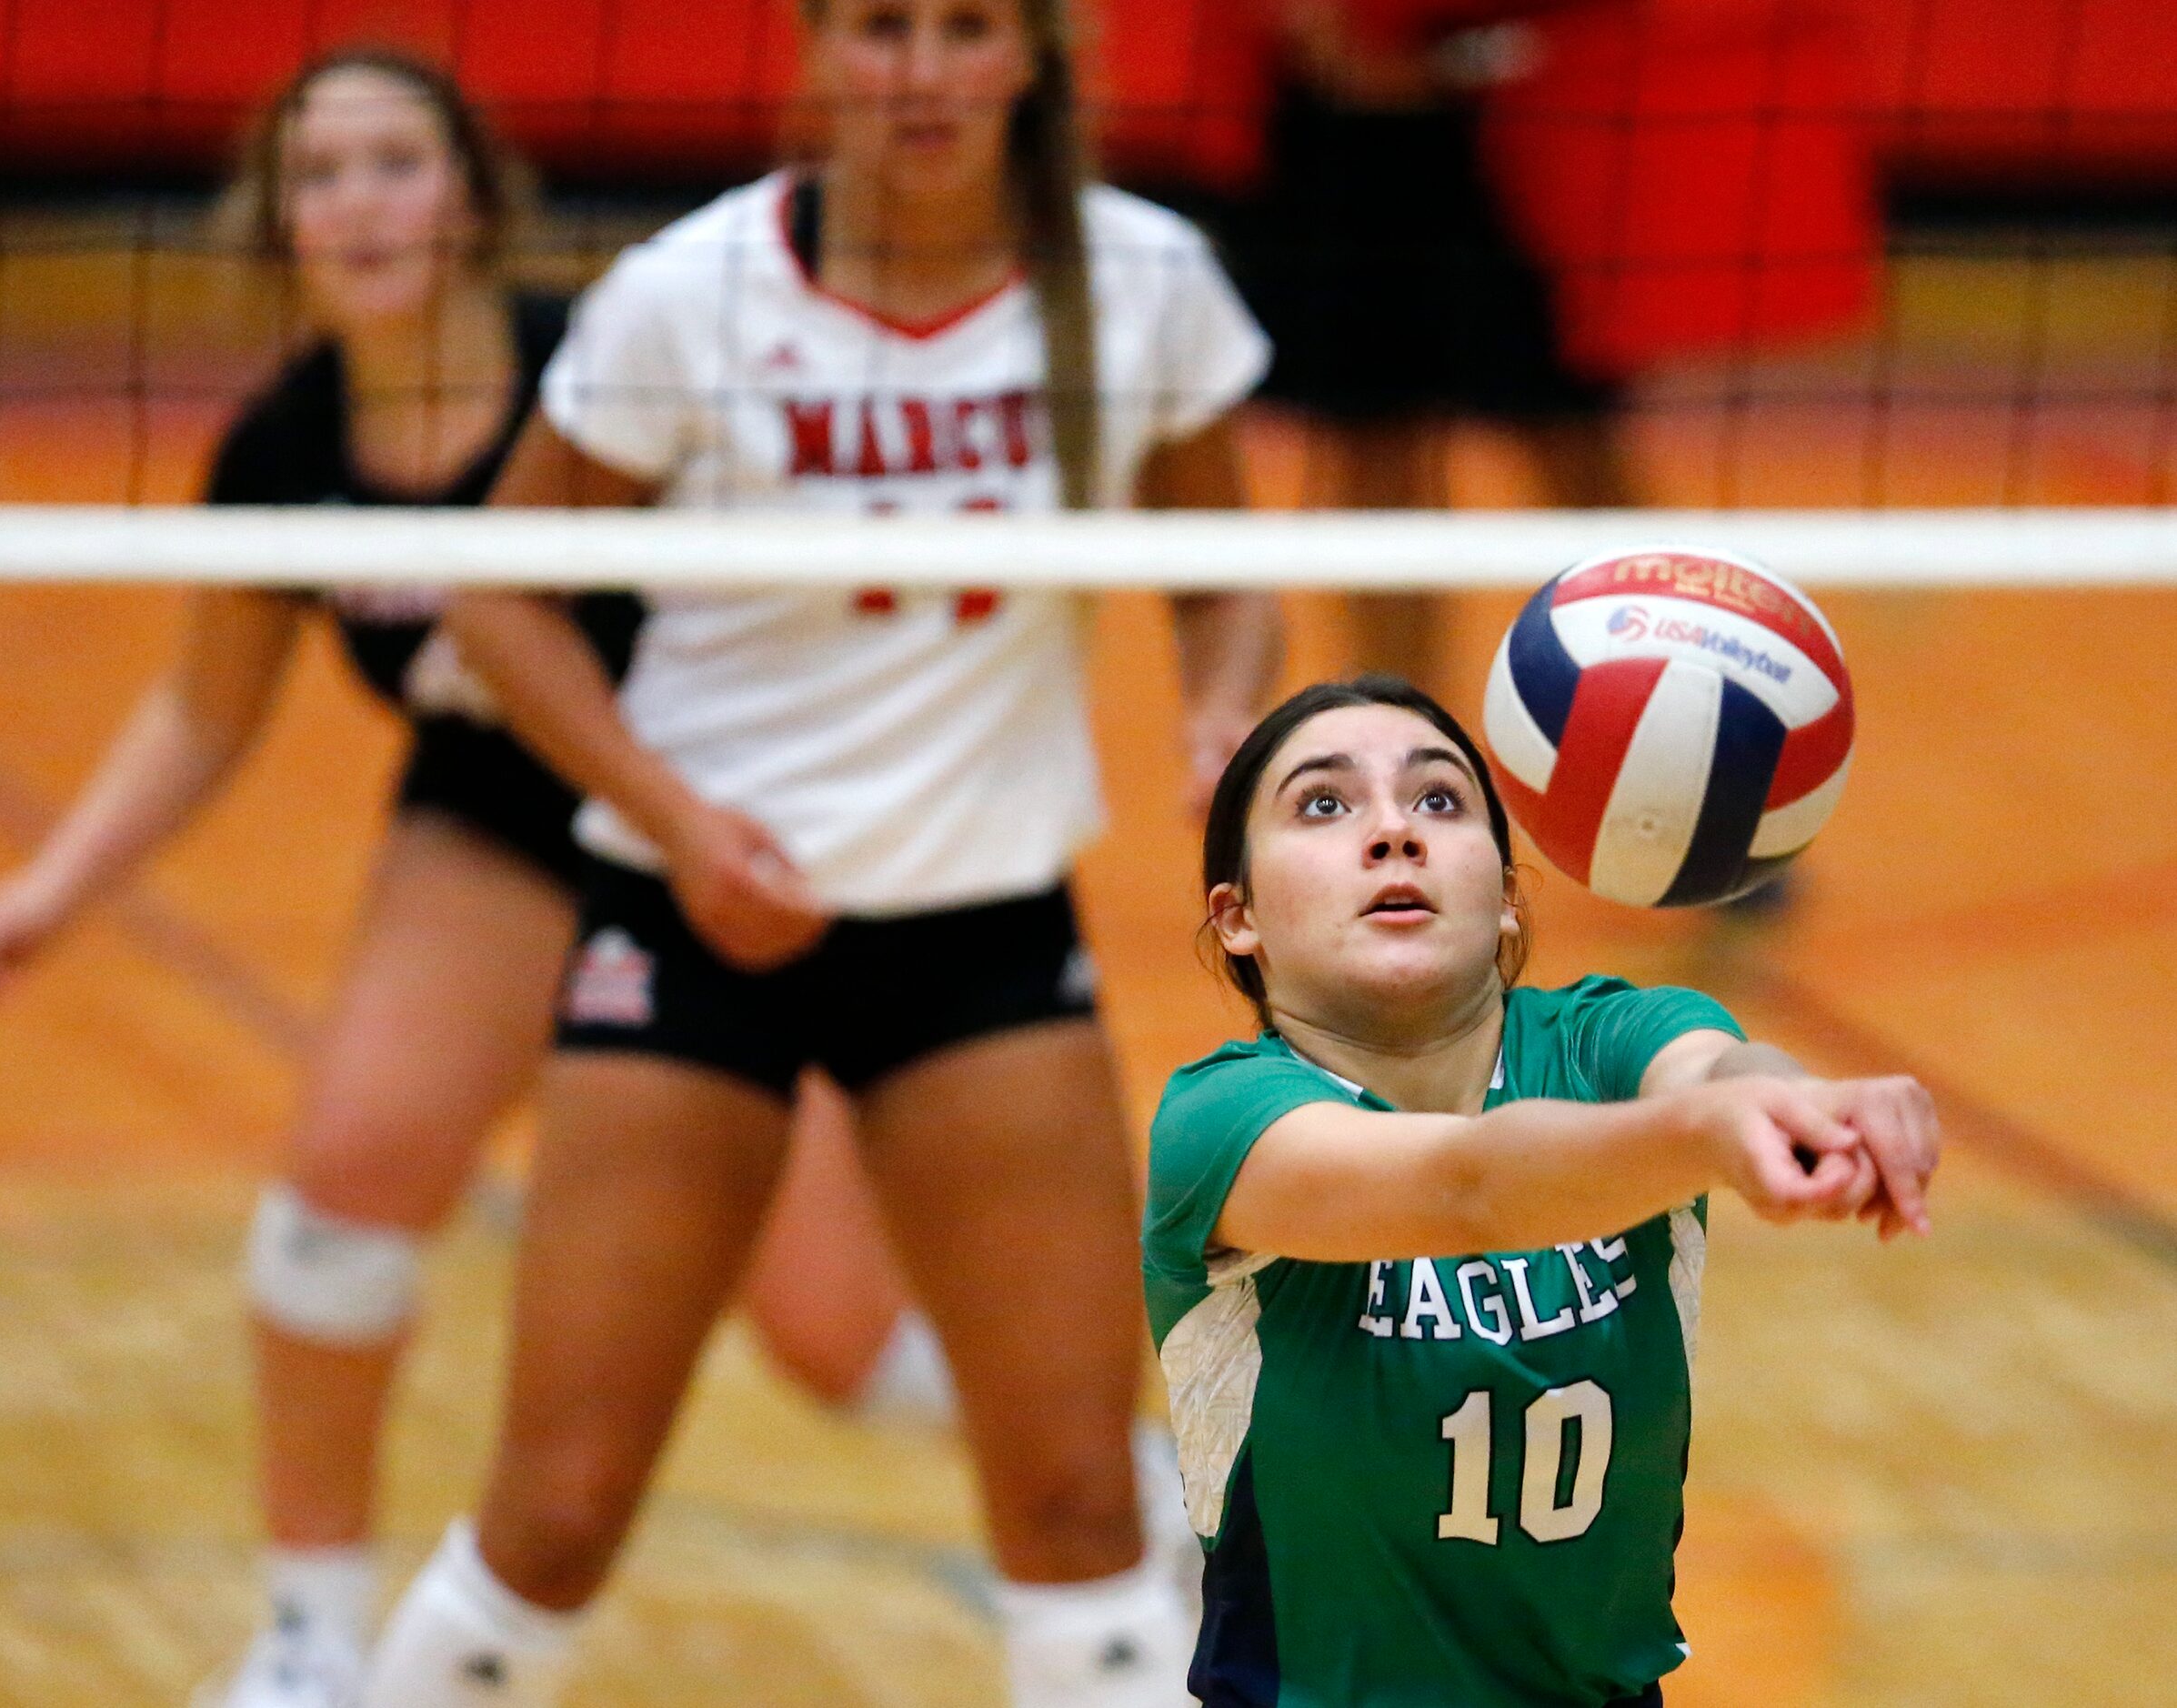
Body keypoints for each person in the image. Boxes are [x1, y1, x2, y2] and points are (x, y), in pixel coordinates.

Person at [0, 48, 918, 1708]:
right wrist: (50, 892)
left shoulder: (595, 369)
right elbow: (200, 706)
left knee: (832, 1337)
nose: (361, 204)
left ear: (467, 193)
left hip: (704, 824)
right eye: (321, 176)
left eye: (396, 162)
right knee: (338, 1191)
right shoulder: (284, 446)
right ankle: (312, 1640)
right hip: (486, 822)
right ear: (280, 223)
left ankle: (1161, 1497)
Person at [353, 1, 1283, 1703]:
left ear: (1026, 58)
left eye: (962, 29)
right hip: (691, 922)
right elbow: (497, 593)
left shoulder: (1135, 280)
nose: (920, 71)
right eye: (879, 27)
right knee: (555, 1513)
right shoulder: (687, 294)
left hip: (982, 933)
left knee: (1085, 1499)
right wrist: (683, 820)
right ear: (815, 51)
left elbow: (1223, 566)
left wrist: (1221, 712)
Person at [1143, 673, 1936, 1705]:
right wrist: (1701, 1134)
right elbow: (1465, 1189)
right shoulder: (1223, 1122)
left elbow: (1719, 1070)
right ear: (1236, 916)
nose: (1393, 832)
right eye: (1324, 805)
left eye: (1437, 800)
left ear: (1509, 899)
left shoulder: (1609, 1039)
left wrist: (1802, 1106)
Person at [1229, 0, 1636, 692]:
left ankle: (1663, 668)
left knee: (1566, 438)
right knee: (1371, 444)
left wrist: (1459, 55)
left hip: (1519, 133)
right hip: (1339, 145)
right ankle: (1400, 707)